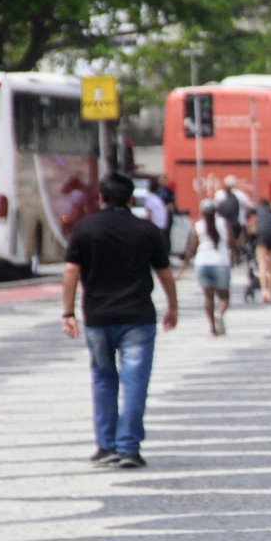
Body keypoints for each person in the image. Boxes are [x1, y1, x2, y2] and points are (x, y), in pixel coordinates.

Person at [61, 172, 178, 470]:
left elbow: (71, 271)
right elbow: (164, 273)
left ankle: (106, 445)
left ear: (101, 197)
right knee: (135, 382)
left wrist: (68, 312)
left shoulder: (84, 228)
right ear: (130, 199)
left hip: (98, 317)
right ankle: (128, 448)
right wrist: (172, 307)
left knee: (102, 378)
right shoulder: (146, 230)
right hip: (138, 317)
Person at [176, 199, 232, 335]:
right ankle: (220, 314)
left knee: (208, 298)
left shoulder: (198, 225)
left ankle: (212, 327)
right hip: (220, 262)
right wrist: (234, 254)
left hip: (202, 263)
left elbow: (192, 249)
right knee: (224, 297)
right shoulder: (223, 223)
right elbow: (233, 242)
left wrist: (182, 269)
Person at [215, 175, 251, 261]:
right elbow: (249, 205)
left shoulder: (219, 194)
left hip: (222, 224)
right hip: (236, 223)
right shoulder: (239, 195)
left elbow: (215, 208)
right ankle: (238, 252)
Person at [253, 199, 271, 303]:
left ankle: (264, 292)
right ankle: (270, 294)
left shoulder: (258, 210)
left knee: (262, 265)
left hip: (262, 236)